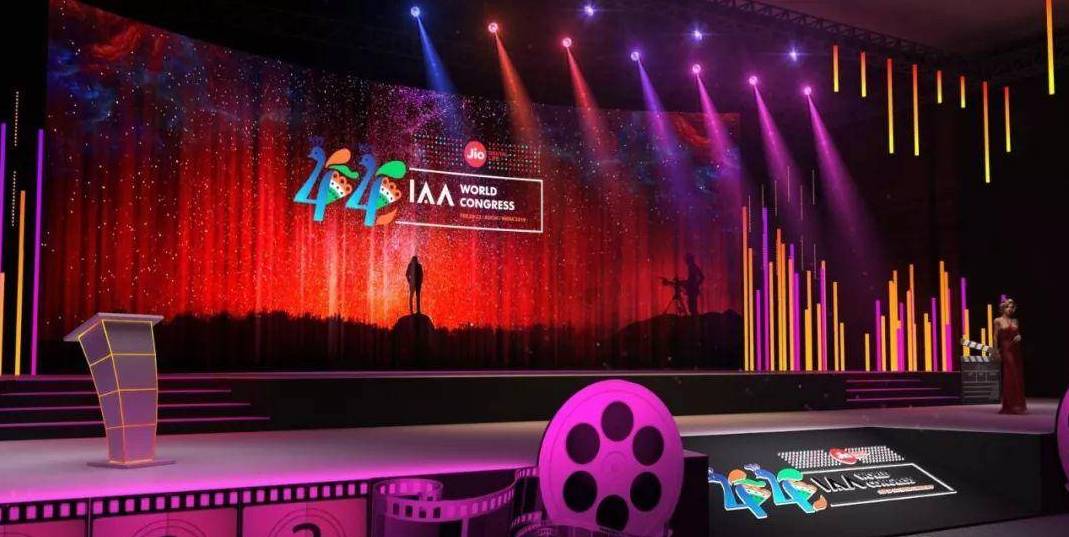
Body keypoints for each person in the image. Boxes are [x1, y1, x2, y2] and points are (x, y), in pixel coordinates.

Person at [993, 297, 1027, 414]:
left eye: (1012, 307)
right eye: (1008, 306)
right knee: (1010, 373)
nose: (1010, 309)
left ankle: (1015, 404)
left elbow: (1018, 334)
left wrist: (1019, 337)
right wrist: (995, 351)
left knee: (1016, 375)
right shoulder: (997, 320)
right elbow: (995, 337)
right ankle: (1010, 405)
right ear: (1003, 308)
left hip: (1016, 349)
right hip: (1006, 349)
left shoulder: (1015, 321)